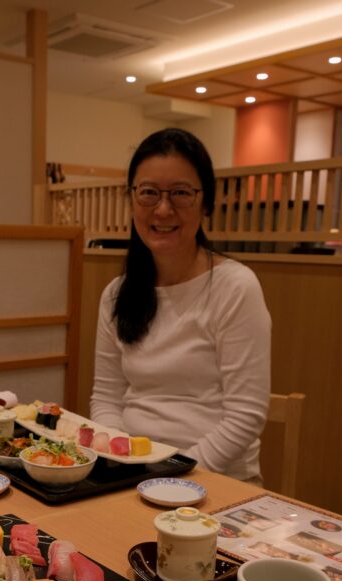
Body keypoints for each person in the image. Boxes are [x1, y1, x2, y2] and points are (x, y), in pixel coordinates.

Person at [90, 128, 271, 481]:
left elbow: (245, 415)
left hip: (214, 482)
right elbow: (106, 399)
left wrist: (171, 477)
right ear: (131, 200)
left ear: (205, 203)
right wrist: (122, 461)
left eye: (181, 193)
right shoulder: (117, 293)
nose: (163, 208)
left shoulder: (235, 287)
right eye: (149, 193)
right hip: (131, 477)